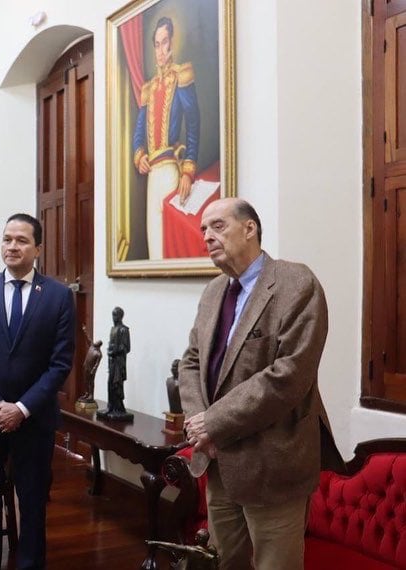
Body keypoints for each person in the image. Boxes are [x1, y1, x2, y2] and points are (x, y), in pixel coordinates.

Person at [178, 197, 343, 570]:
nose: (207, 236)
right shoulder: (213, 293)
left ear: (249, 228)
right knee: (225, 561)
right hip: (219, 461)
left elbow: (289, 375)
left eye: (218, 226)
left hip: (273, 465)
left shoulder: (296, 283)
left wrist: (214, 423)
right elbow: (190, 361)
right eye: (203, 229)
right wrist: (199, 422)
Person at [0, 213, 75, 570]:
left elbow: (61, 363)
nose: (12, 246)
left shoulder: (58, 296)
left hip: (34, 420)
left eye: (22, 240)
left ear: (38, 248)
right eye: (7, 239)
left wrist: (21, 408)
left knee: (33, 501)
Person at [133, 16, 200, 260]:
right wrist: (139, 154)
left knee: (171, 243)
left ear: (172, 43)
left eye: (164, 43)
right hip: (152, 173)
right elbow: (139, 132)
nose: (160, 51)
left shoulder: (181, 75)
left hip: (172, 168)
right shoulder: (148, 89)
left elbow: (193, 124)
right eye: (157, 44)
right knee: (155, 249)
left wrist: (188, 170)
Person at [97, 306, 132, 421]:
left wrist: (114, 351)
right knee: (109, 384)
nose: (114, 317)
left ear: (121, 316)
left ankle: (118, 408)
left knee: (116, 385)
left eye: (115, 315)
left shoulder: (124, 330)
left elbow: (126, 347)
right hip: (111, 361)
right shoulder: (113, 329)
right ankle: (110, 406)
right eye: (113, 315)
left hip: (118, 362)